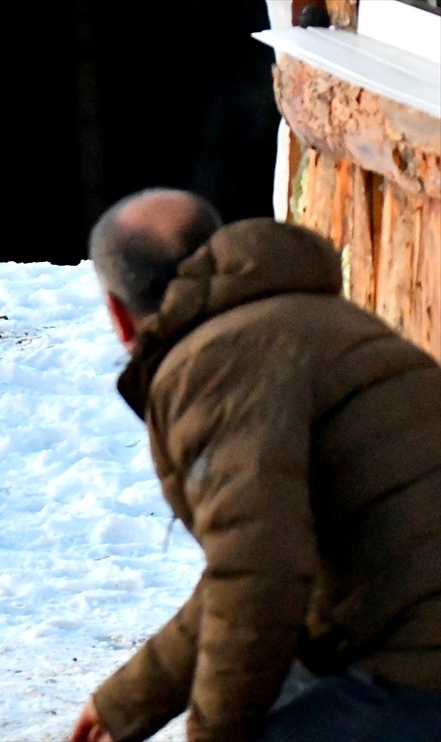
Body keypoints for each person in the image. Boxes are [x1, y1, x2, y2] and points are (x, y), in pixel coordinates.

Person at [70, 188, 441, 742]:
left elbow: (259, 575)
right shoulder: (322, 321)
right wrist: (126, 703)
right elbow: (251, 566)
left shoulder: (213, 364)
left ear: (120, 315)